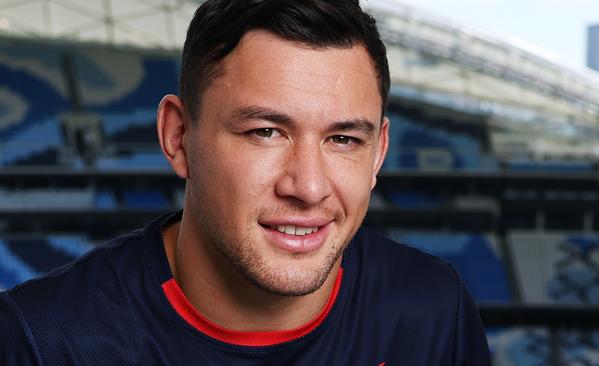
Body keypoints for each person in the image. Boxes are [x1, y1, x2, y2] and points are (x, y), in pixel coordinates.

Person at [0, 0, 491, 364]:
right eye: (266, 131)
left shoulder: (432, 308)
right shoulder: (42, 340)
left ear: (379, 151)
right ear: (178, 136)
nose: (309, 186)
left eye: (343, 139)